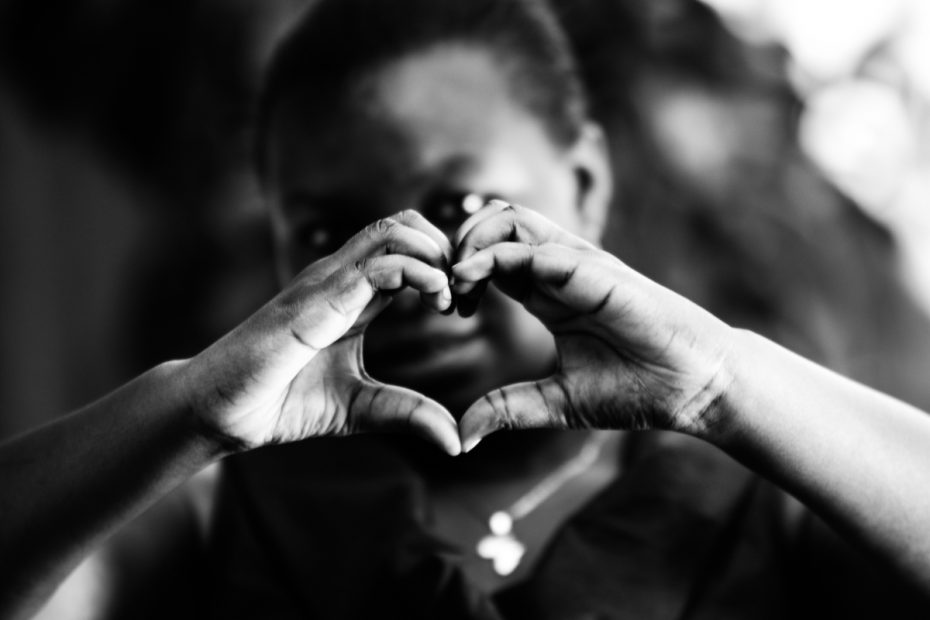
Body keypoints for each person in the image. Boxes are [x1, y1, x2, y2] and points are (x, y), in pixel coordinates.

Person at [2, 0, 929, 618]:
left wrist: (722, 381)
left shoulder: (771, 498)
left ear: (586, 181)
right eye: (329, 230)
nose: (402, 272)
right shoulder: (213, 512)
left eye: (457, 209)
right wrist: (189, 406)